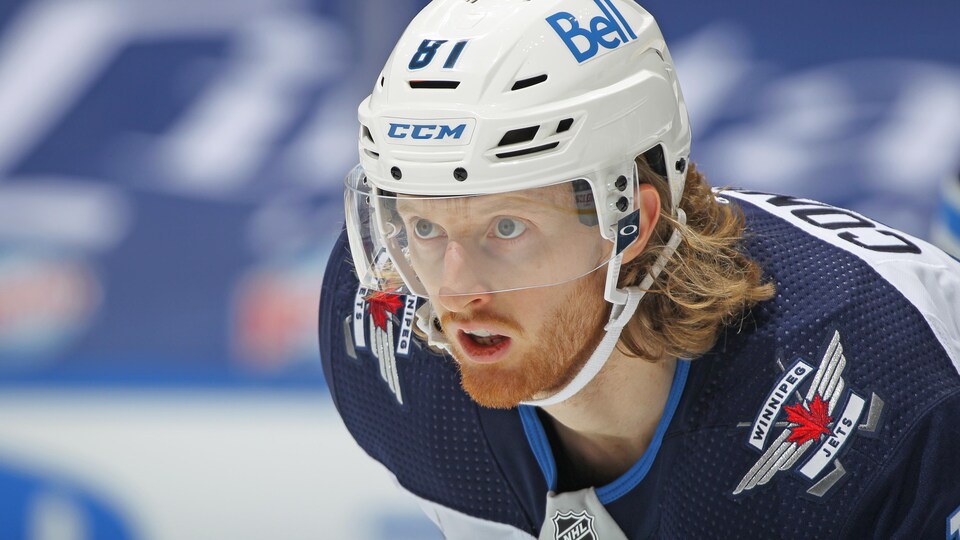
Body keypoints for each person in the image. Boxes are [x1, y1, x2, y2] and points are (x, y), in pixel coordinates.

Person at [319, 0, 960, 537]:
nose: (454, 290)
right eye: (424, 227)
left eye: (506, 227)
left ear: (632, 222)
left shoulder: (888, 389)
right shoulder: (381, 347)